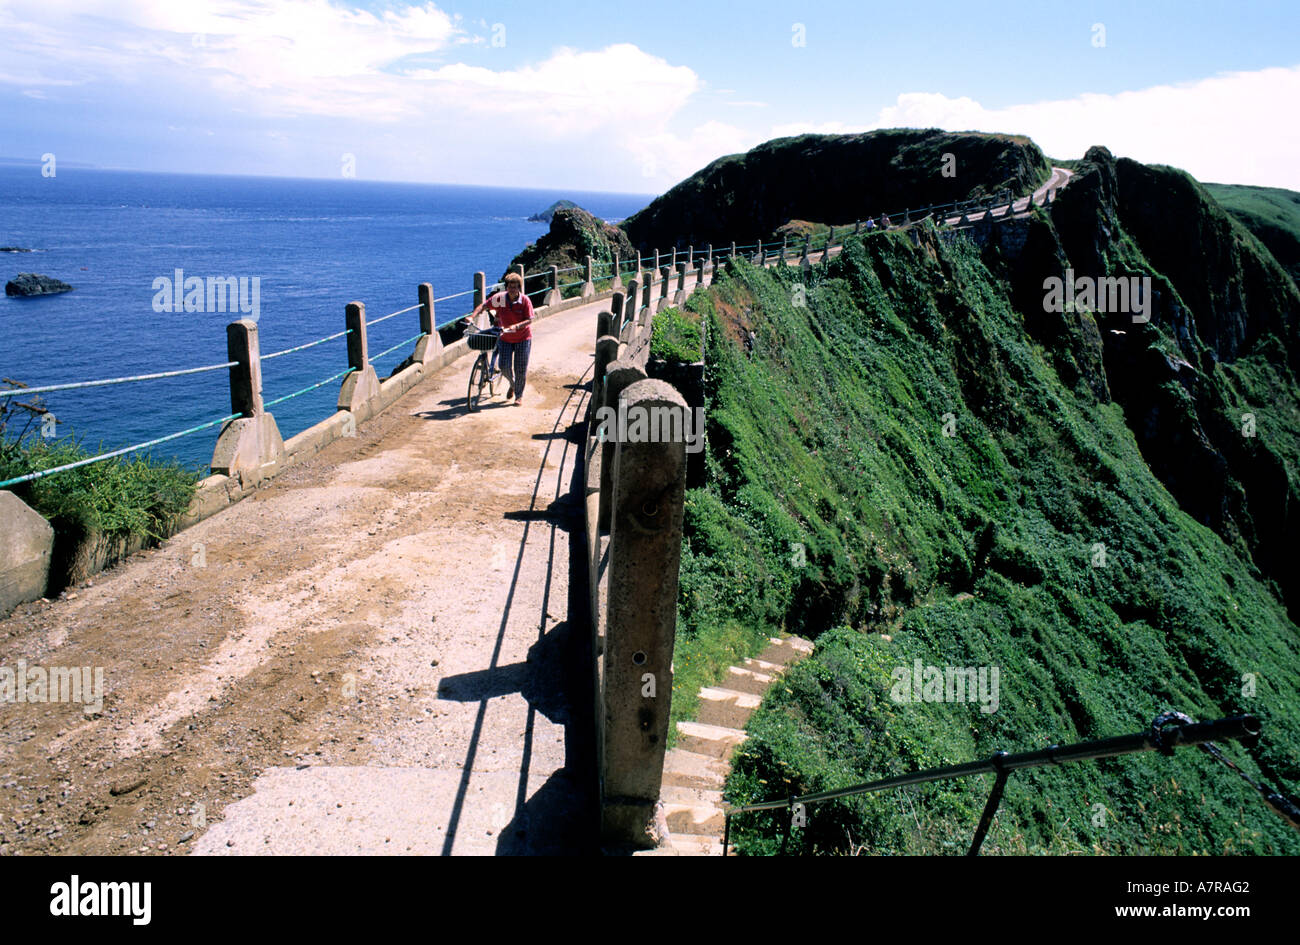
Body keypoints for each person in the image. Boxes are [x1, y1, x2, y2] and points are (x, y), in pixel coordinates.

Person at [470, 271, 534, 405]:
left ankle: (518, 396)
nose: (512, 290)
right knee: (504, 366)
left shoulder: (525, 301)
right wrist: (472, 316)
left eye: (515, 287)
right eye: (510, 287)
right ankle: (513, 384)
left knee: (520, 368)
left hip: (523, 338)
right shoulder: (500, 298)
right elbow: (484, 306)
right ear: (506, 287)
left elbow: (529, 320)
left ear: (519, 288)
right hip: (505, 337)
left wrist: (516, 326)